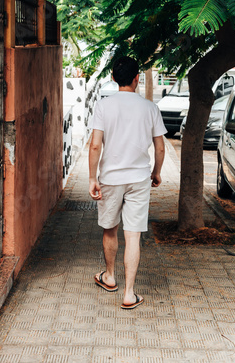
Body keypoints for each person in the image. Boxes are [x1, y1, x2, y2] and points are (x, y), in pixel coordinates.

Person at [89, 56, 167, 309]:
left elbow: (95, 145)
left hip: (111, 178)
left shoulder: (104, 106)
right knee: (133, 235)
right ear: (137, 78)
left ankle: (110, 277)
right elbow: (160, 147)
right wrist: (156, 172)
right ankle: (129, 293)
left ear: (113, 77)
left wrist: (92, 178)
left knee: (110, 228)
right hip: (139, 178)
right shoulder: (150, 108)